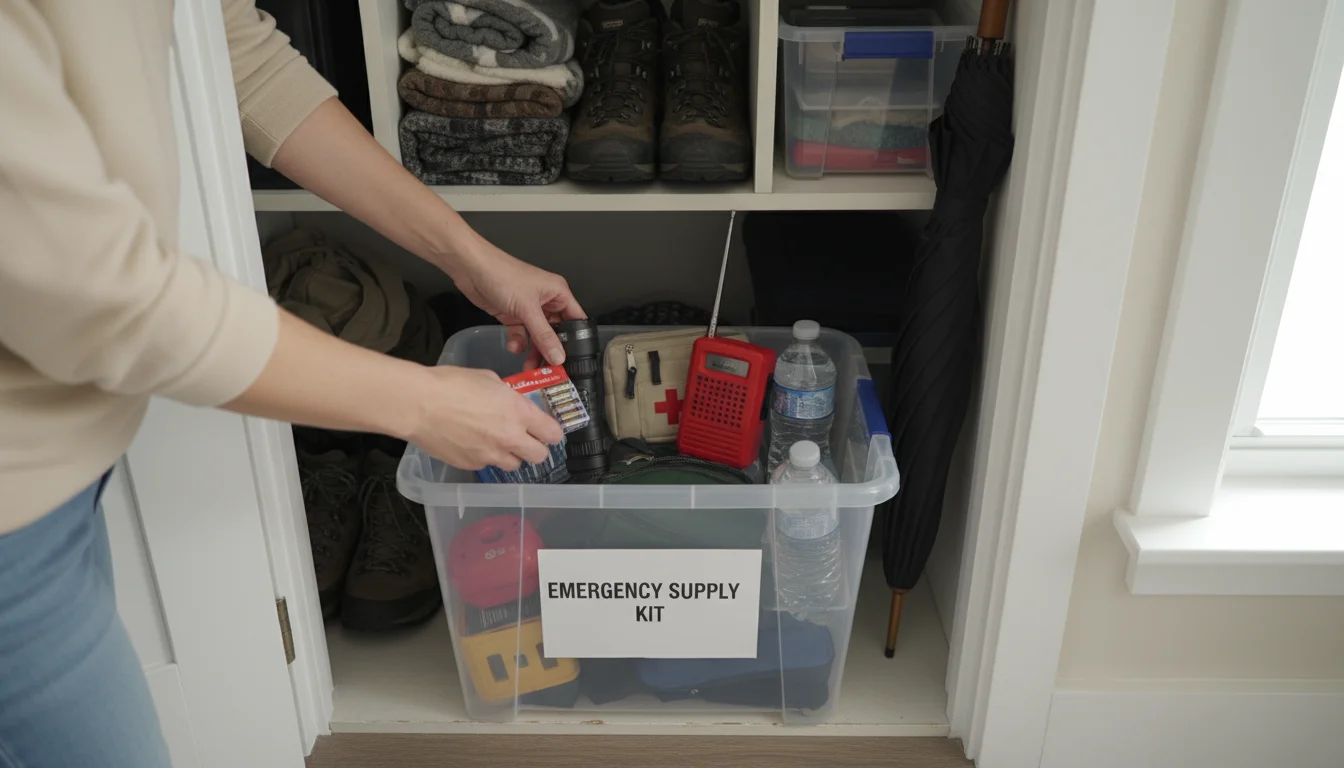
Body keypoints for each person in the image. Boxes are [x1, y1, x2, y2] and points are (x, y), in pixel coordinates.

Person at [0, 1, 579, 764]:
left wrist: (470, 258)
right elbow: (104, 297)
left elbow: (239, 53)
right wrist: (421, 401)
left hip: (61, 472)